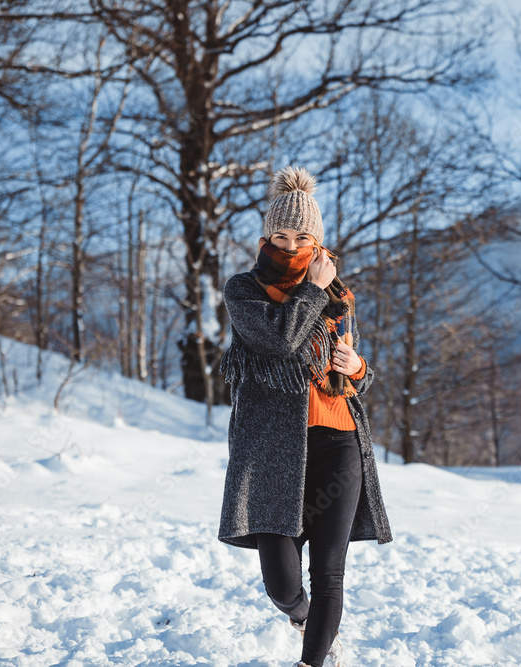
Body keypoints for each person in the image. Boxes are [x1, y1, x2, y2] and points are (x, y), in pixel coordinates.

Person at [217, 165, 393, 667]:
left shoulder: (339, 298)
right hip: (274, 451)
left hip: (338, 442)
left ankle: (314, 659)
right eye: (281, 235)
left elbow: (351, 377)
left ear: (317, 239)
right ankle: (302, 617)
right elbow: (280, 340)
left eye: (302, 236)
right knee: (282, 584)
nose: (292, 245)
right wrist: (313, 290)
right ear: (265, 237)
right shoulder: (244, 292)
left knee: (330, 572)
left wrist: (357, 367)